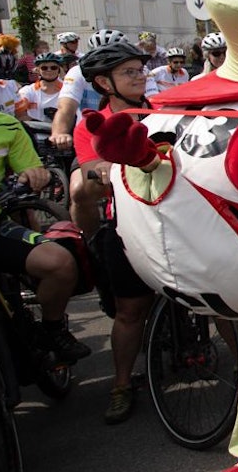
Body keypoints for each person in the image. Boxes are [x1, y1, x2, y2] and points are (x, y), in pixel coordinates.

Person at [0, 48, 89, 367]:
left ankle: (51, 330)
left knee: (61, 263)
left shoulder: (5, 126)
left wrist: (32, 175)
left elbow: (32, 169)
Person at [71, 41, 159, 423]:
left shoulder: (166, 112)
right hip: (126, 222)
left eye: (140, 70)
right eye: (129, 72)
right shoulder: (91, 125)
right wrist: (101, 171)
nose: (139, 77)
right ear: (104, 82)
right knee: (129, 310)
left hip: (175, 217)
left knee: (217, 295)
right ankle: (121, 384)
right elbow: (89, 179)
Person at [19, 52, 66, 121]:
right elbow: (19, 115)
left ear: (59, 69)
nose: (49, 70)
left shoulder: (67, 89)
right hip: (36, 130)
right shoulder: (27, 91)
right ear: (38, 70)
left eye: (53, 67)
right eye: (44, 68)